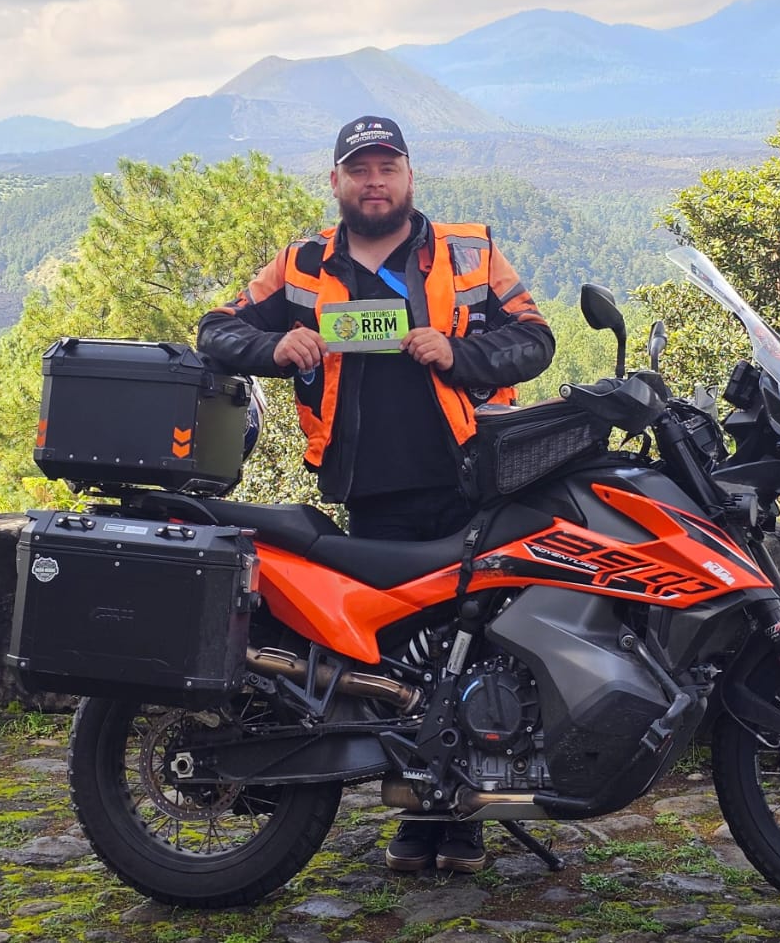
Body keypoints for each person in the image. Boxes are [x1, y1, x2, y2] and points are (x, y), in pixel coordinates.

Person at [198, 113, 555, 874]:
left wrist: (459, 353)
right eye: (359, 169)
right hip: (372, 491)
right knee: (398, 667)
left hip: (475, 480)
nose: (374, 181)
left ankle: (463, 821)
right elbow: (215, 331)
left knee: (477, 647)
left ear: (409, 176)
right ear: (336, 182)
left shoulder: (469, 251)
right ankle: (416, 813)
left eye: (387, 167)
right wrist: (274, 346)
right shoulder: (299, 265)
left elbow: (534, 339)